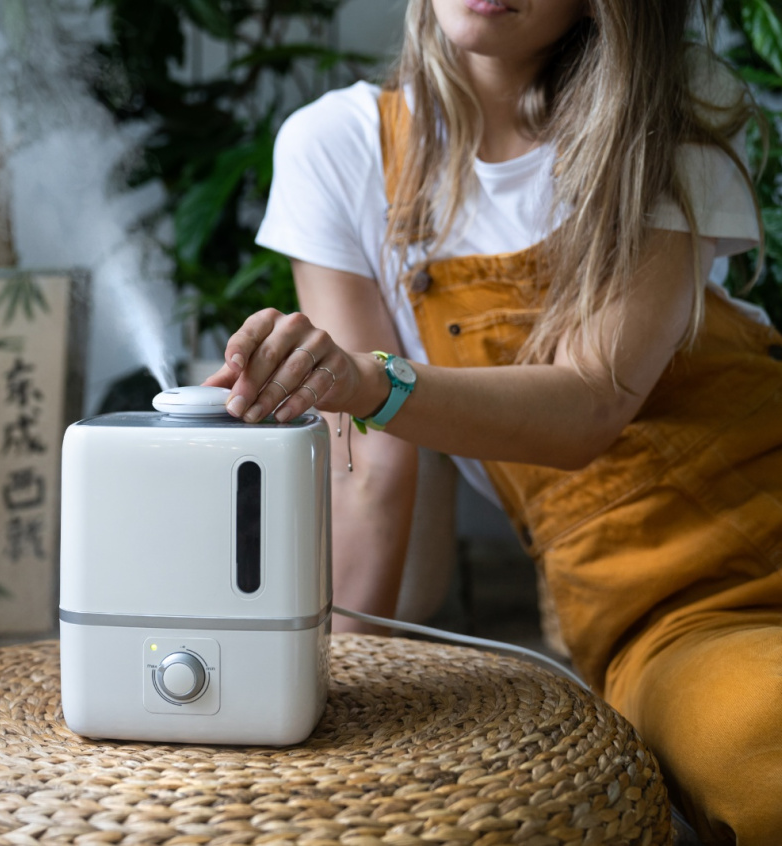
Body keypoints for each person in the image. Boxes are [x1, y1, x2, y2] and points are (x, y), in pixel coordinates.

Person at [204, 0, 782, 842]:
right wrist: (319, 703)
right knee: (763, 747)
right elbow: (367, 471)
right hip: (678, 618)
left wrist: (368, 381)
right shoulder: (337, 148)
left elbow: (590, 402)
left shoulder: (667, 104)